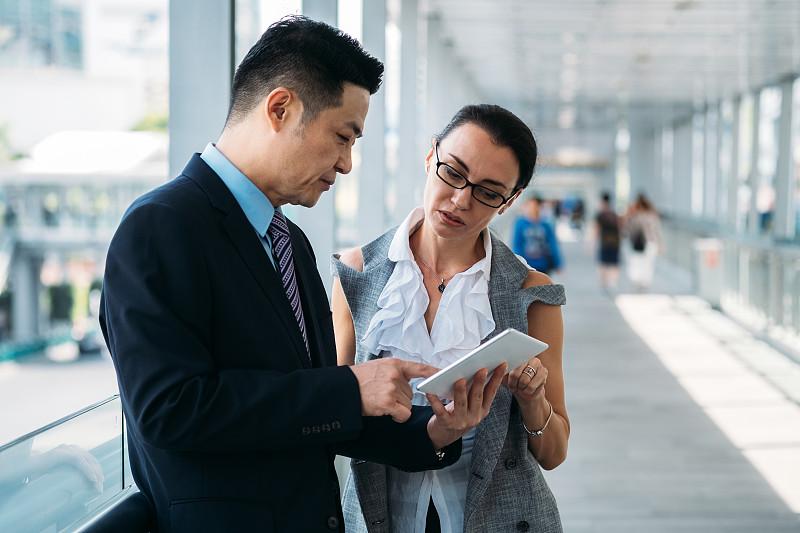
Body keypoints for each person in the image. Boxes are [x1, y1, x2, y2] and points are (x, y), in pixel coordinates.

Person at [98, 16, 504, 533]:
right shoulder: (160, 227)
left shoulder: (290, 240)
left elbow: (313, 406)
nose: (348, 164)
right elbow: (169, 409)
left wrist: (435, 433)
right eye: (343, 136)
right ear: (280, 108)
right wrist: (349, 389)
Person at [332, 104, 569, 533]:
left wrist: (533, 400)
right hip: (379, 517)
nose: (461, 200)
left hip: (502, 518)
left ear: (509, 201)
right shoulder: (358, 274)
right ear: (430, 157)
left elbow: (554, 454)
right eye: (453, 172)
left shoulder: (531, 293)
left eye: (488, 192)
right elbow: (329, 408)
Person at [512, 195, 562, 275]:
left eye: (534, 205)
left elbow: (553, 244)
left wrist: (558, 264)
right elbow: (517, 244)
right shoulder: (521, 224)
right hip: (527, 263)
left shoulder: (545, 224)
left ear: (539, 206)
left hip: (543, 263)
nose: (532, 208)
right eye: (529, 206)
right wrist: (518, 264)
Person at [625, 193, 664, 291]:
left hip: (639, 243)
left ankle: (638, 280)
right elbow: (657, 231)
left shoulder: (635, 217)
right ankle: (645, 282)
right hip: (651, 242)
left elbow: (628, 230)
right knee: (648, 264)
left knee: (637, 262)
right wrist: (660, 244)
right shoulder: (652, 216)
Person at [590, 192, 621, 293]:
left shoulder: (600, 215)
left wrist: (591, 245)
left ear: (602, 201)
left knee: (603, 265)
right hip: (615, 243)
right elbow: (621, 229)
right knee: (614, 265)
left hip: (604, 243)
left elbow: (596, 230)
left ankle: (603, 286)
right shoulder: (614, 214)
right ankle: (612, 284)